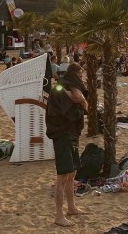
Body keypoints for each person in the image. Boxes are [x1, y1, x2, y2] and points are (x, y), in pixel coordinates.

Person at [45, 63, 88, 227]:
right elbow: (78, 98)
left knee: (72, 173)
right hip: (62, 134)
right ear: (74, 76)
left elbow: (80, 100)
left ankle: (71, 207)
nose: (82, 79)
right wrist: (83, 101)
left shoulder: (67, 87)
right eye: (80, 76)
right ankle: (59, 215)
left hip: (72, 133)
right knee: (63, 175)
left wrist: (83, 101)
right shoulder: (61, 89)